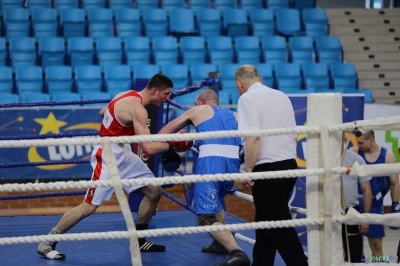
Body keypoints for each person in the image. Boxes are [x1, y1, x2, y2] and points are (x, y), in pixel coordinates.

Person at [37, 73, 193, 260]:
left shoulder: (125, 94)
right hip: (109, 156)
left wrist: (120, 130)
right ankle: (47, 242)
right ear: (154, 90)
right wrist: (176, 144)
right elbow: (149, 149)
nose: (168, 98)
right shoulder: (139, 109)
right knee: (89, 206)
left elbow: (103, 113)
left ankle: (139, 240)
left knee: (154, 191)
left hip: (123, 151)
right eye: (166, 94)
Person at [158, 89, 251, 266]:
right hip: (233, 164)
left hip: (210, 163)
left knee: (205, 217)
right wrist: (196, 138)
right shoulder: (235, 115)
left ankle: (237, 252)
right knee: (214, 200)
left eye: (195, 103)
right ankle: (219, 244)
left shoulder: (198, 111)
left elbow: (163, 132)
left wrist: (178, 139)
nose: (194, 106)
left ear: (201, 101)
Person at [234, 64, 308, 266]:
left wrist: (248, 170)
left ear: (239, 85)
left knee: (279, 227)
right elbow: (294, 134)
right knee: (267, 224)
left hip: (268, 169)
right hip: (289, 165)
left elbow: (254, 138)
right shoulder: (281, 95)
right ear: (260, 79)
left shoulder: (248, 98)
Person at [349, 130, 399, 257]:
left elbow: (394, 183)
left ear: (371, 140)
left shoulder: (388, 156)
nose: (358, 145)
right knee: (352, 249)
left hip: (375, 206)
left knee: (377, 247)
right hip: (354, 204)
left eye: (361, 142)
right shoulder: (354, 152)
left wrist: (396, 205)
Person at [340, 133, 372, 262]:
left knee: (354, 254)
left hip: (351, 210)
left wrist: (365, 217)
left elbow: (366, 190)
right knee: (329, 253)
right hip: (330, 211)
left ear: (343, 140)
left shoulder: (357, 159)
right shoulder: (322, 161)